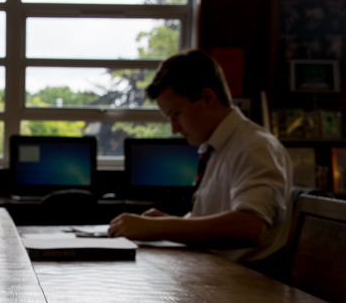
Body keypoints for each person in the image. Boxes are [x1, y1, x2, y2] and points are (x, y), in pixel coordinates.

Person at [108, 49, 292, 265]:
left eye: (176, 114)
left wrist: (158, 227)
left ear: (207, 98)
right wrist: (170, 222)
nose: (174, 128)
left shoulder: (254, 147)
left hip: (247, 283)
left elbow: (250, 226)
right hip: (216, 274)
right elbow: (216, 217)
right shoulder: (219, 147)